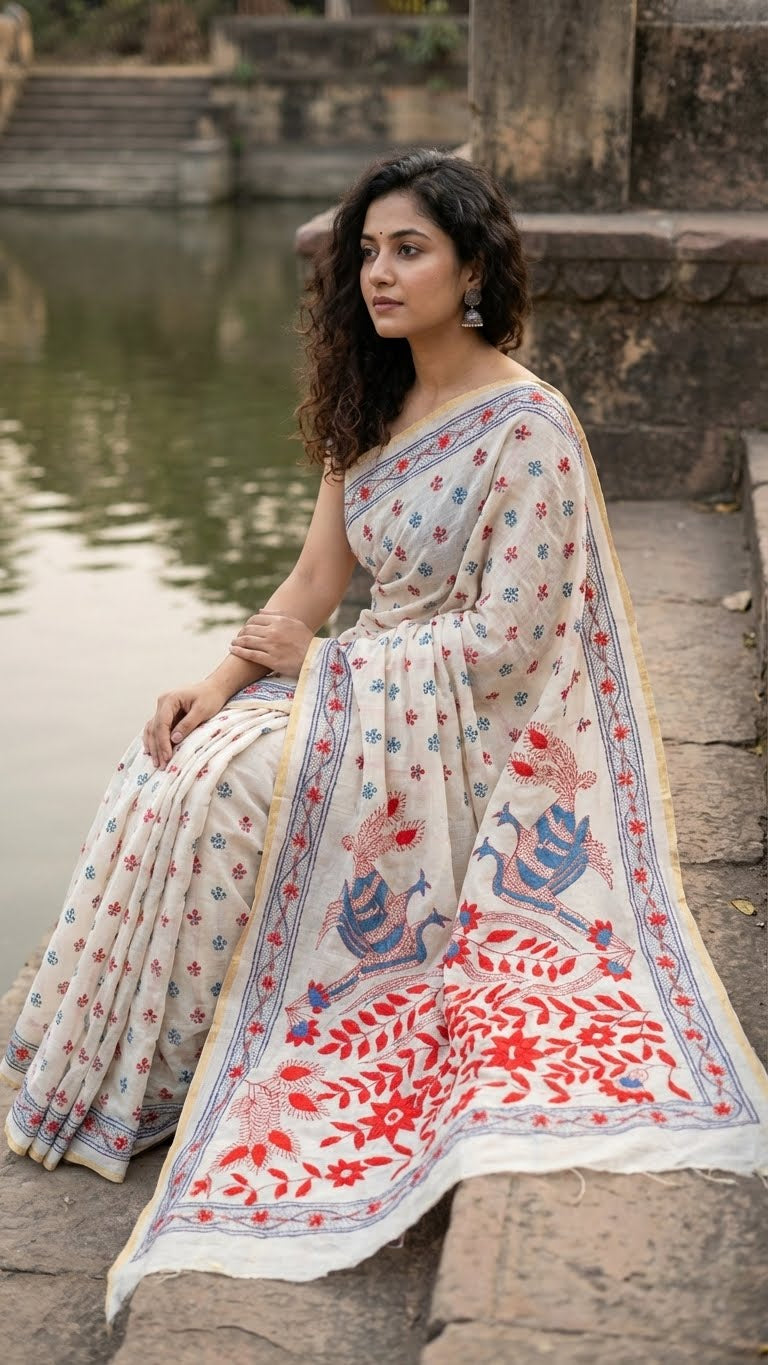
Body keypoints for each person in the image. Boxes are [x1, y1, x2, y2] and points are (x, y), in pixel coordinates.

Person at [2, 150, 765, 1318]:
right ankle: (127, 1074)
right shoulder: (370, 403)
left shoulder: (529, 427)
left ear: (474, 271)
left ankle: (197, 1062)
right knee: (173, 763)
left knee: (235, 790)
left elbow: (509, 644)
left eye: (410, 250)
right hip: (369, 688)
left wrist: (333, 672)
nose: (379, 273)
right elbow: (316, 582)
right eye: (367, 252)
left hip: (466, 732)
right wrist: (216, 679)